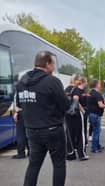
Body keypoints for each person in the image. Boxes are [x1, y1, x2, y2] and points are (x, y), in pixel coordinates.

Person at [17, 51, 70, 186]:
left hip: (31, 130)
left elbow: (19, 104)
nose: (54, 68)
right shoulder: (52, 81)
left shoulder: (22, 81)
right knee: (59, 164)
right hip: (52, 129)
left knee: (33, 165)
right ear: (47, 64)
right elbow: (65, 106)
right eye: (53, 64)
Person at [65, 76, 89, 161]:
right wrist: (82, 110)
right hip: (77, 114)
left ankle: (70, 154)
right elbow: (76, 99)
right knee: (80, 134)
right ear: (83, 82)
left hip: (69, 114)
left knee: (70, 133)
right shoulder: (78, 90)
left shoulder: (72, 89)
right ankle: (81, 154)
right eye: (86, 82)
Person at [87, 80, 105, 153]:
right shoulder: (97, 94)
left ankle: (97, 145)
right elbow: (100, 105)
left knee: (95, 130)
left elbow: (94, 103)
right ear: (96, 85)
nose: (100, 85)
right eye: (99, 84)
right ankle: (95, 148)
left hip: (91, 114)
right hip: (96, 115)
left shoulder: (90, 93)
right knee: (97, 131)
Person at [12, 94, 29, 159]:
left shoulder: (18, 92)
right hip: (28, 114)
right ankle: (30, 152)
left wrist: (16, 113)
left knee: (20, 134)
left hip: (20, 113)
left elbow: (17, 105)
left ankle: (21, 153)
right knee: (27, 133)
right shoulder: (28, 90)